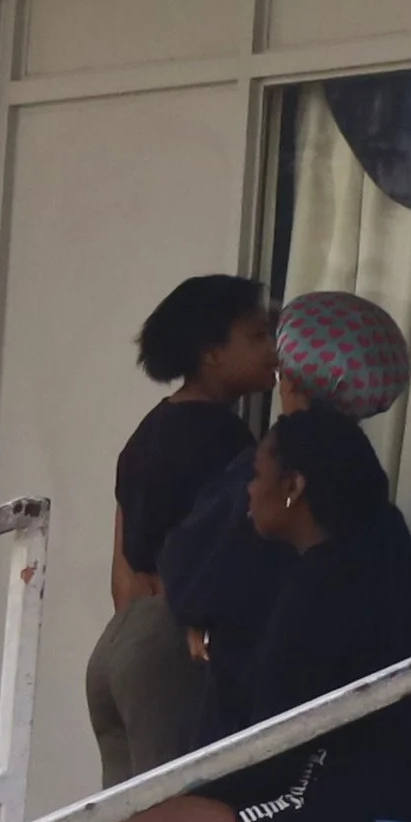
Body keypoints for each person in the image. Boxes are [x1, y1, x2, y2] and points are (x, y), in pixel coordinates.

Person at [22, 407, 411, 822]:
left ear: (294, 488)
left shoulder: (329, 582)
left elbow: (271, 732)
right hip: (366, 808)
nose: (246, 489)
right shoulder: (370, 553)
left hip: (330, 816)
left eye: (258, 474)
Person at [160, 289, 411, 703]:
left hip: (252, 696)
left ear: (290, 378)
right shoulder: (367, 481)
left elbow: (193, 558)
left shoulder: (277, 462)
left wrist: (194, 615)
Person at [85, 275, 278, 785]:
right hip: (173, 646)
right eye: (258, 336)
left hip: (118, 645)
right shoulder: (222, 438)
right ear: (210, 352)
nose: (275, 350)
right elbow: (226, 555)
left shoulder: (147, 434)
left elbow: (123, 567)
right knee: (169, 821)